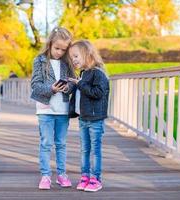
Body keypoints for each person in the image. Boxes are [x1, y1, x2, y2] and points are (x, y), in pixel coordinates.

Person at [30, 27, 75, 190]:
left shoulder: (67, 62)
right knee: (46, 143)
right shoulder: (39, 60)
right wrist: (52, 89)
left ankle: (62, 174)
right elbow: (35, 85)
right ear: (49, 44)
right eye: (57, 48)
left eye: (64, 50)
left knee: (61, 143)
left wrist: (67, 88)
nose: (60, 52)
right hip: (45, 109)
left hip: (63, 109)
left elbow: (73, 82)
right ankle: (46, 175)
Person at [68, 40, 109, 192]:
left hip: (95, 120)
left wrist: (81, 85)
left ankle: (95, 178)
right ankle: (85, 176)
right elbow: (81, 94)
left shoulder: (98, 73)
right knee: (84, 149)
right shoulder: (84, 74)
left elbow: (98, 93)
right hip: (83, 118)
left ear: (87, 54)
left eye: (76, 56)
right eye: (72, 58)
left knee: (95, 150)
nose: (74, 60)